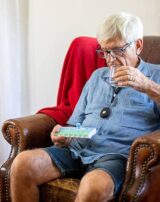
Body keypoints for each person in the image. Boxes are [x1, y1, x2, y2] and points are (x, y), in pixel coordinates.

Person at [10, 12, 160, 202]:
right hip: (77, 148)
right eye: (105, 51)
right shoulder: (97, 77)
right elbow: (76, 122)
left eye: (117, 50)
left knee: (92, 186)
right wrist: (63, 134)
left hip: (115, 156)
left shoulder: (155, 76)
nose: (110, 59)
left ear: (138, 46)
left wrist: (147, 86)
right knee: (22, 164)